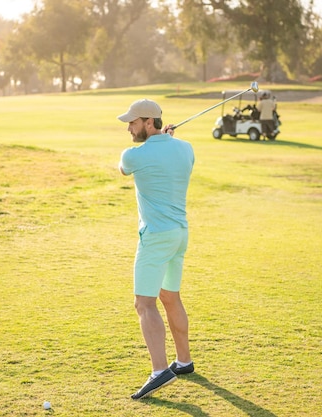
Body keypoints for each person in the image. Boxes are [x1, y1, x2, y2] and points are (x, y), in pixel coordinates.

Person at [117, 99, 195, 400]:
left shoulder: (134, 155)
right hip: (179, 234)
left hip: (156, 237)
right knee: (169, 296)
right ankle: (184, 361)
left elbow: (123, 169)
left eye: (133, 122)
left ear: (150, 122)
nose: (129, 128)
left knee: (144, 304)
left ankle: (160, 369)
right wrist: (168, 140)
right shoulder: (186, 149)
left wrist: (160, 142)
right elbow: (171, 159)